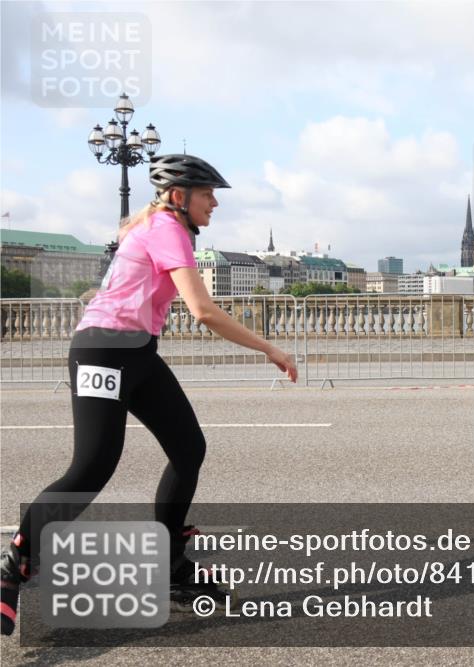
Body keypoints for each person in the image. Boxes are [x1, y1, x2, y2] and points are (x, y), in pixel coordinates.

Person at [1, 154, 298, 635]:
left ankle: (170, 563)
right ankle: (16, 561)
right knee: (92, 466)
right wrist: (271, 349)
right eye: (207, 194)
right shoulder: (167, 229)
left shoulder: (158, 225)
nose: (215, 203)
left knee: (188, 448)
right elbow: (202, 310)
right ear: (178, 197)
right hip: (103, 350)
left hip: (136, 350)